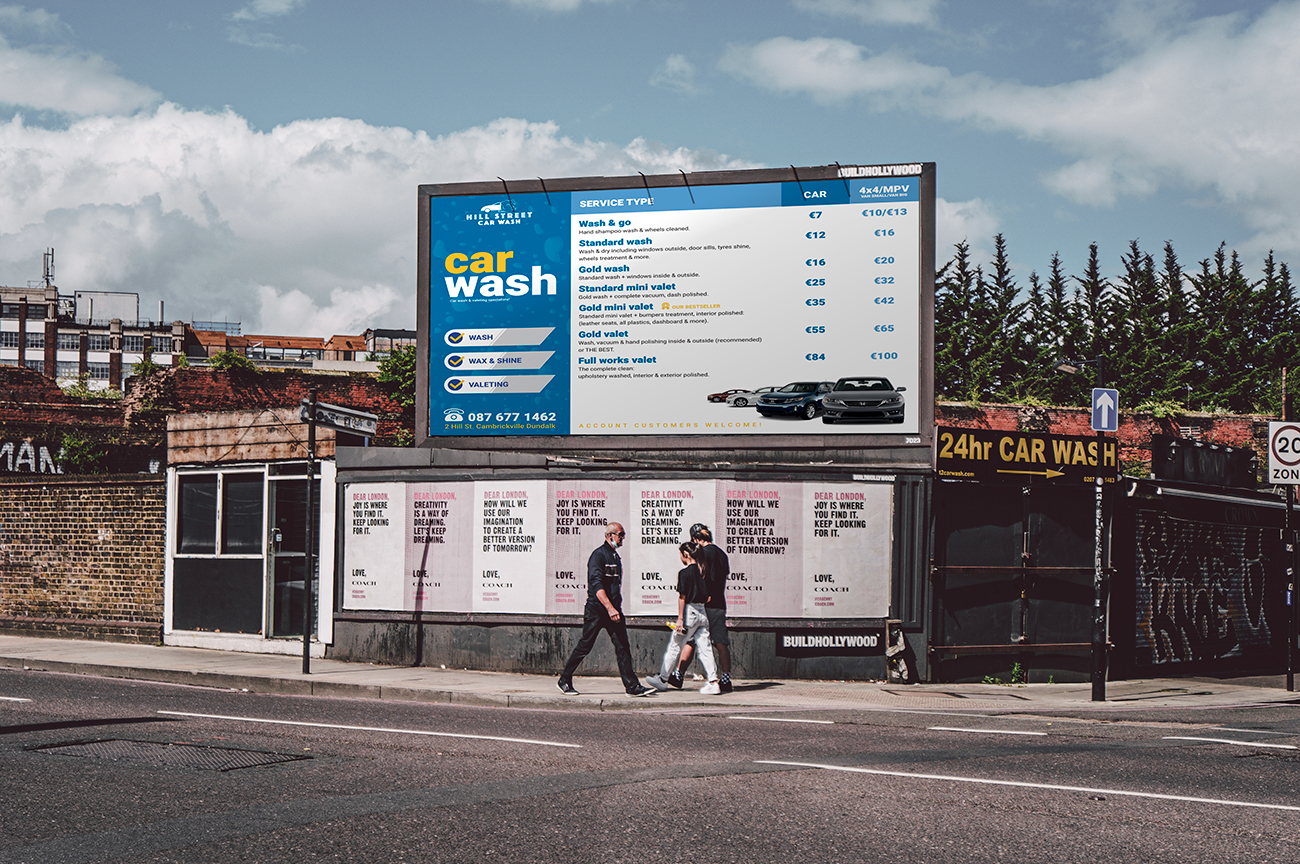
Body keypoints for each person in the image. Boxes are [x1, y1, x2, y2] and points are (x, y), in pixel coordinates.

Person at [557, 522, 656, 697]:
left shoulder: (615, 557)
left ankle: (632, 687)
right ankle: (564, 679)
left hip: (613, 610)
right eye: (620, 534)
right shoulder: (598, 555)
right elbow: (597, 585)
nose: (623, 538)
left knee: (623, 646)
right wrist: (610, 608)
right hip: (597, 610)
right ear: (610, 535)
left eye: (623, 534)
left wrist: (615, 607)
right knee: (585, 646)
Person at [646, 542, 720, 694]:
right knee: (705, 648)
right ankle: (713, 682)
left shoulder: (684, 573)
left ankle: (662, 679)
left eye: (680, 554)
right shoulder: (703, 571)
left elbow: (682, 597)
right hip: (702, 612)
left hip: (689, 612)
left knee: (675, 646)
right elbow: (709, 598)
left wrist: (680, 619)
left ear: (686, 554)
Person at [672, 522, 732, 692]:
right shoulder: (722, 554)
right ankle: (726, 679)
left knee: (690, 640)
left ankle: (678, 676)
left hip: (702, 604)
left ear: (697, 539)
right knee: (721, 642)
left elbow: (699, 575)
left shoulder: (702, 553)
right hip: (719, 604)